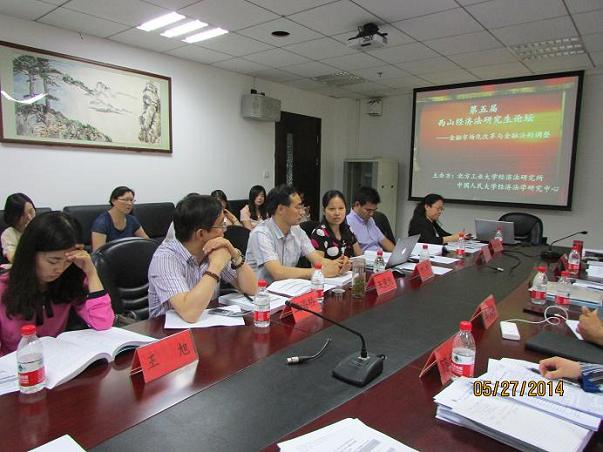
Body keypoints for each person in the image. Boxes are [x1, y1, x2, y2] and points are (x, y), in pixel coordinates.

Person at [0, 212, 114, 355]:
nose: (60, 269)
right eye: (53, 261)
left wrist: (91, 272)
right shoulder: (3, 288)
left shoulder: (69, 280)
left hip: (58, 361)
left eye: (67, 261)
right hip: (16, 365)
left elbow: (103, 322)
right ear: (30, 254)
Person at [148, 194, 257, 322]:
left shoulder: (213, 250)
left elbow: (252, 289)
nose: (225, 230)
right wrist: (215, 266)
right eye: (221, 225)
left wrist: (235, 254)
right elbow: (189, 313)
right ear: (201, 234)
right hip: (165, 331)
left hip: (206, 325)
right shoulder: (165, 259)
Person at [246, 184, 343, 283]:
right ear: (281, 209)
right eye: (297, 207)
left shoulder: (297, 230)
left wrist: (339, 265)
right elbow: (277, 272)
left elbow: (318, 260)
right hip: (260, 290)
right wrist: (316, 272)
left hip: (286, 287)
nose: (302, 212)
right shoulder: (261, 234)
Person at [91, 186, 149, 251]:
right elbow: (97, 252)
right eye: (125, 200)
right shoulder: (102, 223)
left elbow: (147, 242)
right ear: (113, 201)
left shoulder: (132, 220)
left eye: (131, 200)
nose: (129, 203)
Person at [311, 190, 361, 261]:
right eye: (332, 209)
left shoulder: (348, 229)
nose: (337, 213)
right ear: (324, 211)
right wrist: (338, 264)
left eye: (341, 208)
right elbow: (316, 265)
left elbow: (359, 256)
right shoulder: (319, 233)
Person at [346, 186, 395, 253]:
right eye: (368, 210)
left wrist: (397, 254)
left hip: (379, 255)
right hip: (365, 257)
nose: (371, 214)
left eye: (374, 210)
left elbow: (384, 241)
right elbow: (357, 253)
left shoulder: (370, 220)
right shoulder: (348, 222)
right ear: (357, 204)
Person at [1, 193, 36, 263]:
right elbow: (13, 259)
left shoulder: (41, 226)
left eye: (31, 211)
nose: (29, 218)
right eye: (23, 215)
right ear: (12, 217)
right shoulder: (9, 234)